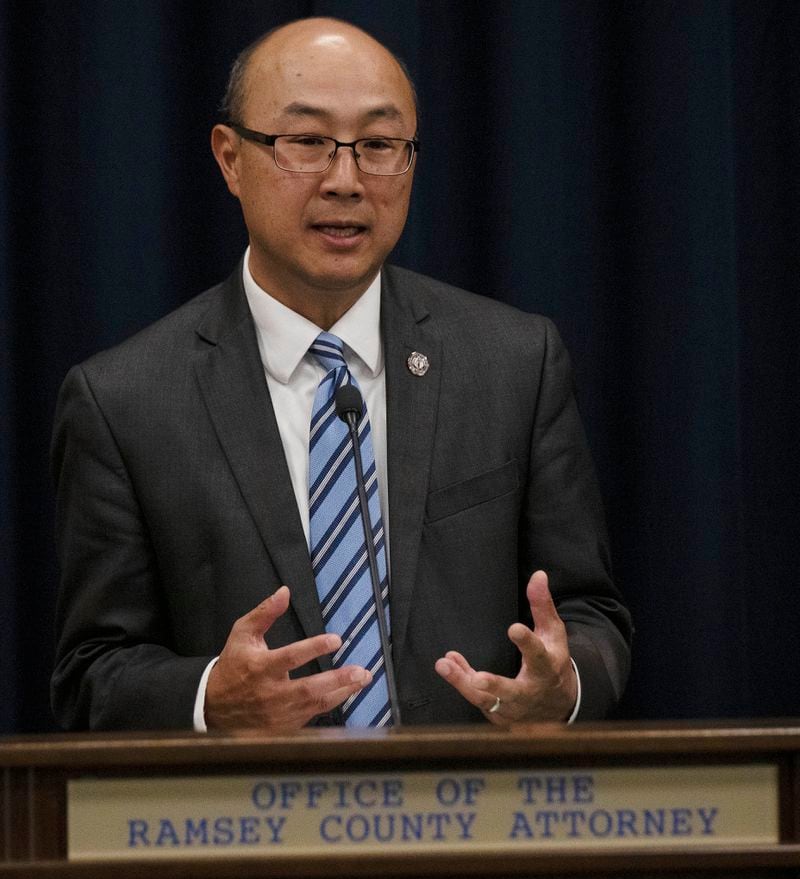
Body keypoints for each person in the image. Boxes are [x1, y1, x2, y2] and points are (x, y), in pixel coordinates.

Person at [50, 17, 631, 732]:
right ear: (230, 158)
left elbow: (592, 614)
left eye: (380, 146)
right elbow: (91, 672)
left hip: (472, 822)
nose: (346, 181)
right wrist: (208, 696)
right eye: (307, 143)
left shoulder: (515, 363)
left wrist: (563, 687)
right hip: (243, 830)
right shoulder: (123, 402)